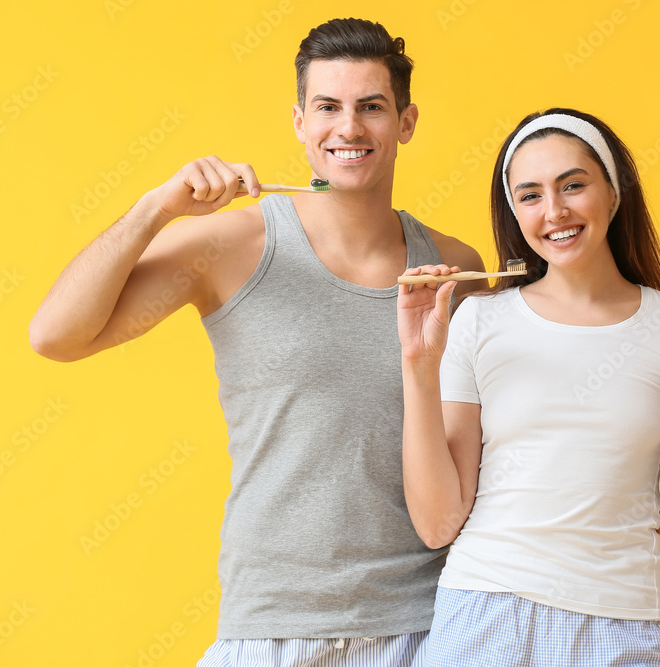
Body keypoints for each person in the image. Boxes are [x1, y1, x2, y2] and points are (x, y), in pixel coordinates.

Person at [29, 18, 485, 666]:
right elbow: (55, 335)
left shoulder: (455, 269)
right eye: (327, 106)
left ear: (406, 121)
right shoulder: (228, 247)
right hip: (271, 628)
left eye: (371, 107)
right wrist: (156, 207)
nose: (348, 128)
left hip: (426, 625)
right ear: (300, 121)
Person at [397, 108, 660, 665]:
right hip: (484, 613)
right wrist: (419, 364)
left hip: (622, 626)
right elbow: (439, 522)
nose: (555, 211)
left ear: (613, 193)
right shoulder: (479, 321)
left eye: (573, 185)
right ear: (514, 212)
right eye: (531, 195)